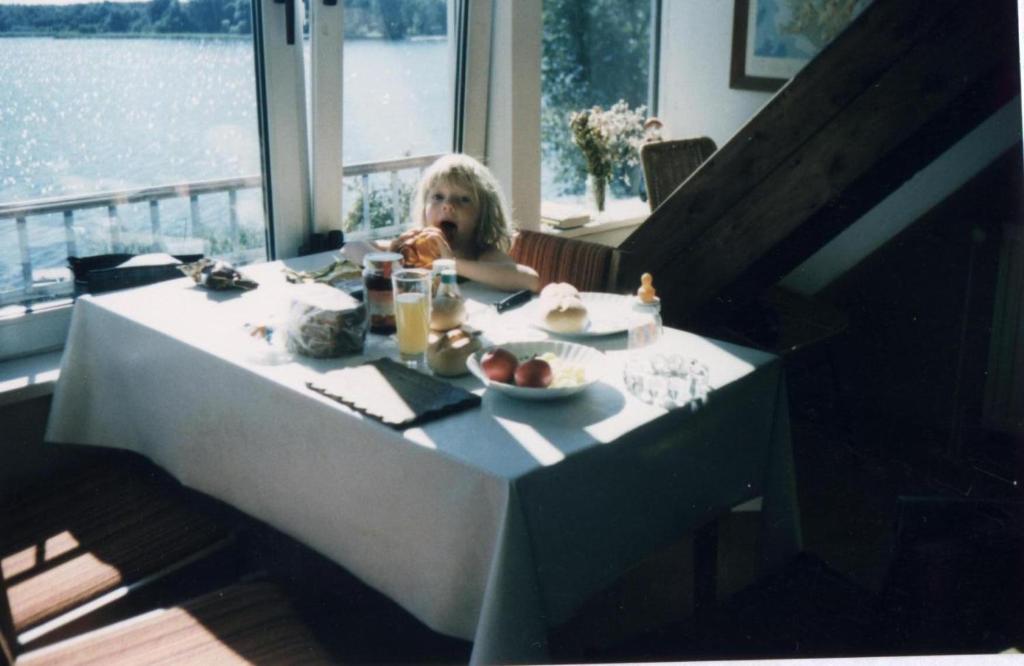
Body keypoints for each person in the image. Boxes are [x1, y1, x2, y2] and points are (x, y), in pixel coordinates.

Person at [343, 154, 540, 293]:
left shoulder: (479, 253)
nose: (447, 206)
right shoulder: (415, 251)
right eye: (438, 197)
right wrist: (390, 265)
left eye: (463, 199)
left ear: (482, 214)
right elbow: (350, 247)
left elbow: (529, 279)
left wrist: (450, 264)